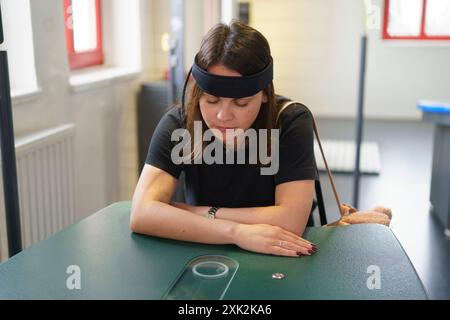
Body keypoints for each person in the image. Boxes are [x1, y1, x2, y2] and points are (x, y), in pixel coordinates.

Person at [130, 21, 321, 257]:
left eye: (241, 103)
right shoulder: (180, 124)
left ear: (264, 94)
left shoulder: (289, 121)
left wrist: (196, 213)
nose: (223, 116)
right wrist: (236, 233)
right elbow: (142, 213)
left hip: (280, 255)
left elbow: (290, 221)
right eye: (211, 100)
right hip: (206, 254)